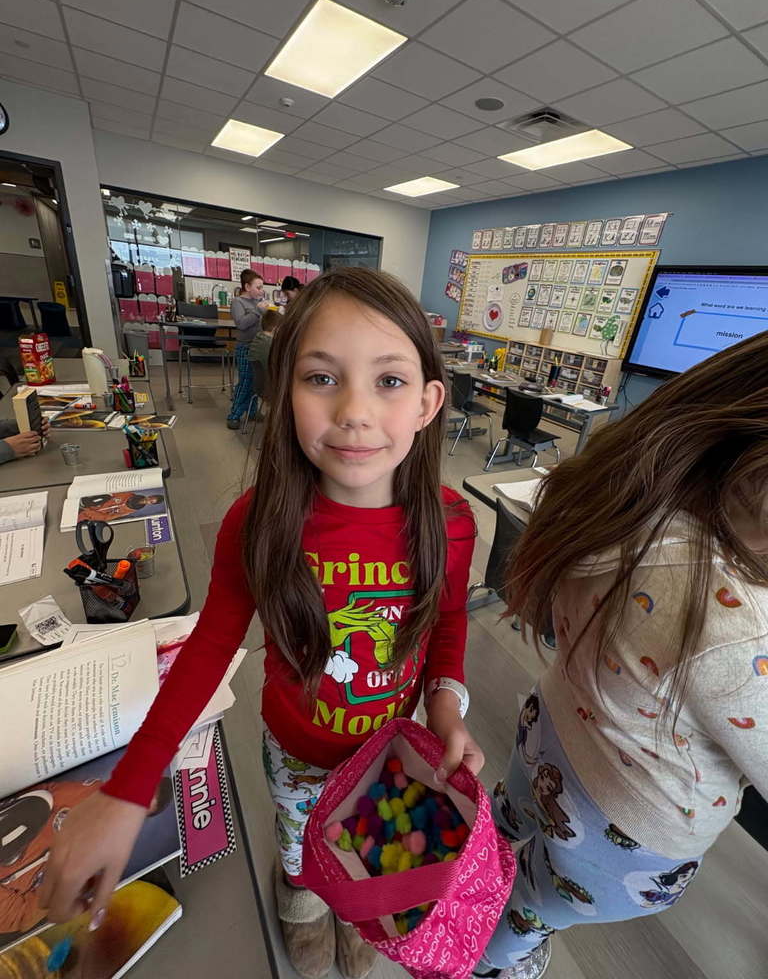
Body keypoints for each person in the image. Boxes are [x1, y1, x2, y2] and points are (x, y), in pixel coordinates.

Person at [40, 268, 483, 979]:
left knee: (363, 851)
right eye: (321, 378)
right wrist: (129, 786)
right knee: (297, 844)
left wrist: (445, 704)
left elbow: (449, 622)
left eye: (390, 381)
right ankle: (301, 894)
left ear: (430, 401)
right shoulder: (260, 522)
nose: (356, 412)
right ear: (283, 392)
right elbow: (209, 647)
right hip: (296, 752)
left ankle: (350, 904)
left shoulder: (452, 521)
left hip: (388, 757)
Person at [475, 331, 768, 979]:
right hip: (623, 829)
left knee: (509, 816)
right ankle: (490, 962)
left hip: (546, 732)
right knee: (531, 906)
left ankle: (470, 867)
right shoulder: (741, 629)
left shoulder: (620, 487)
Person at [226, 269, 267, 429]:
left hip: (258, 346)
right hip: (245, 347)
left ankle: (252, 411)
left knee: (256, 380)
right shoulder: (238, 302)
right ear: (247, 286)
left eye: (262, 287)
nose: (261, 290)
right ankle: (234, 415)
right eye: (258, 287)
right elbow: (241, 324)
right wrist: (258, 311)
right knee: (245, 381)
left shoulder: (258, 302)